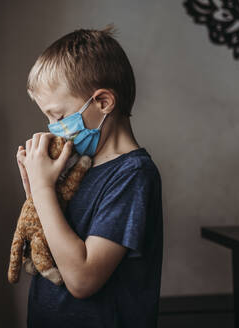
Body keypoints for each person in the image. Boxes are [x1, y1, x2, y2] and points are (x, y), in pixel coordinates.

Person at [16, 25, 163, 328]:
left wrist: (43, 188)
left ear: (103, 102)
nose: (53, 127)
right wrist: (35, 189)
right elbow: (51, 240)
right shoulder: (78, 167)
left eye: (58, 116)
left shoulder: (133, 176)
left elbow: (82, 280)